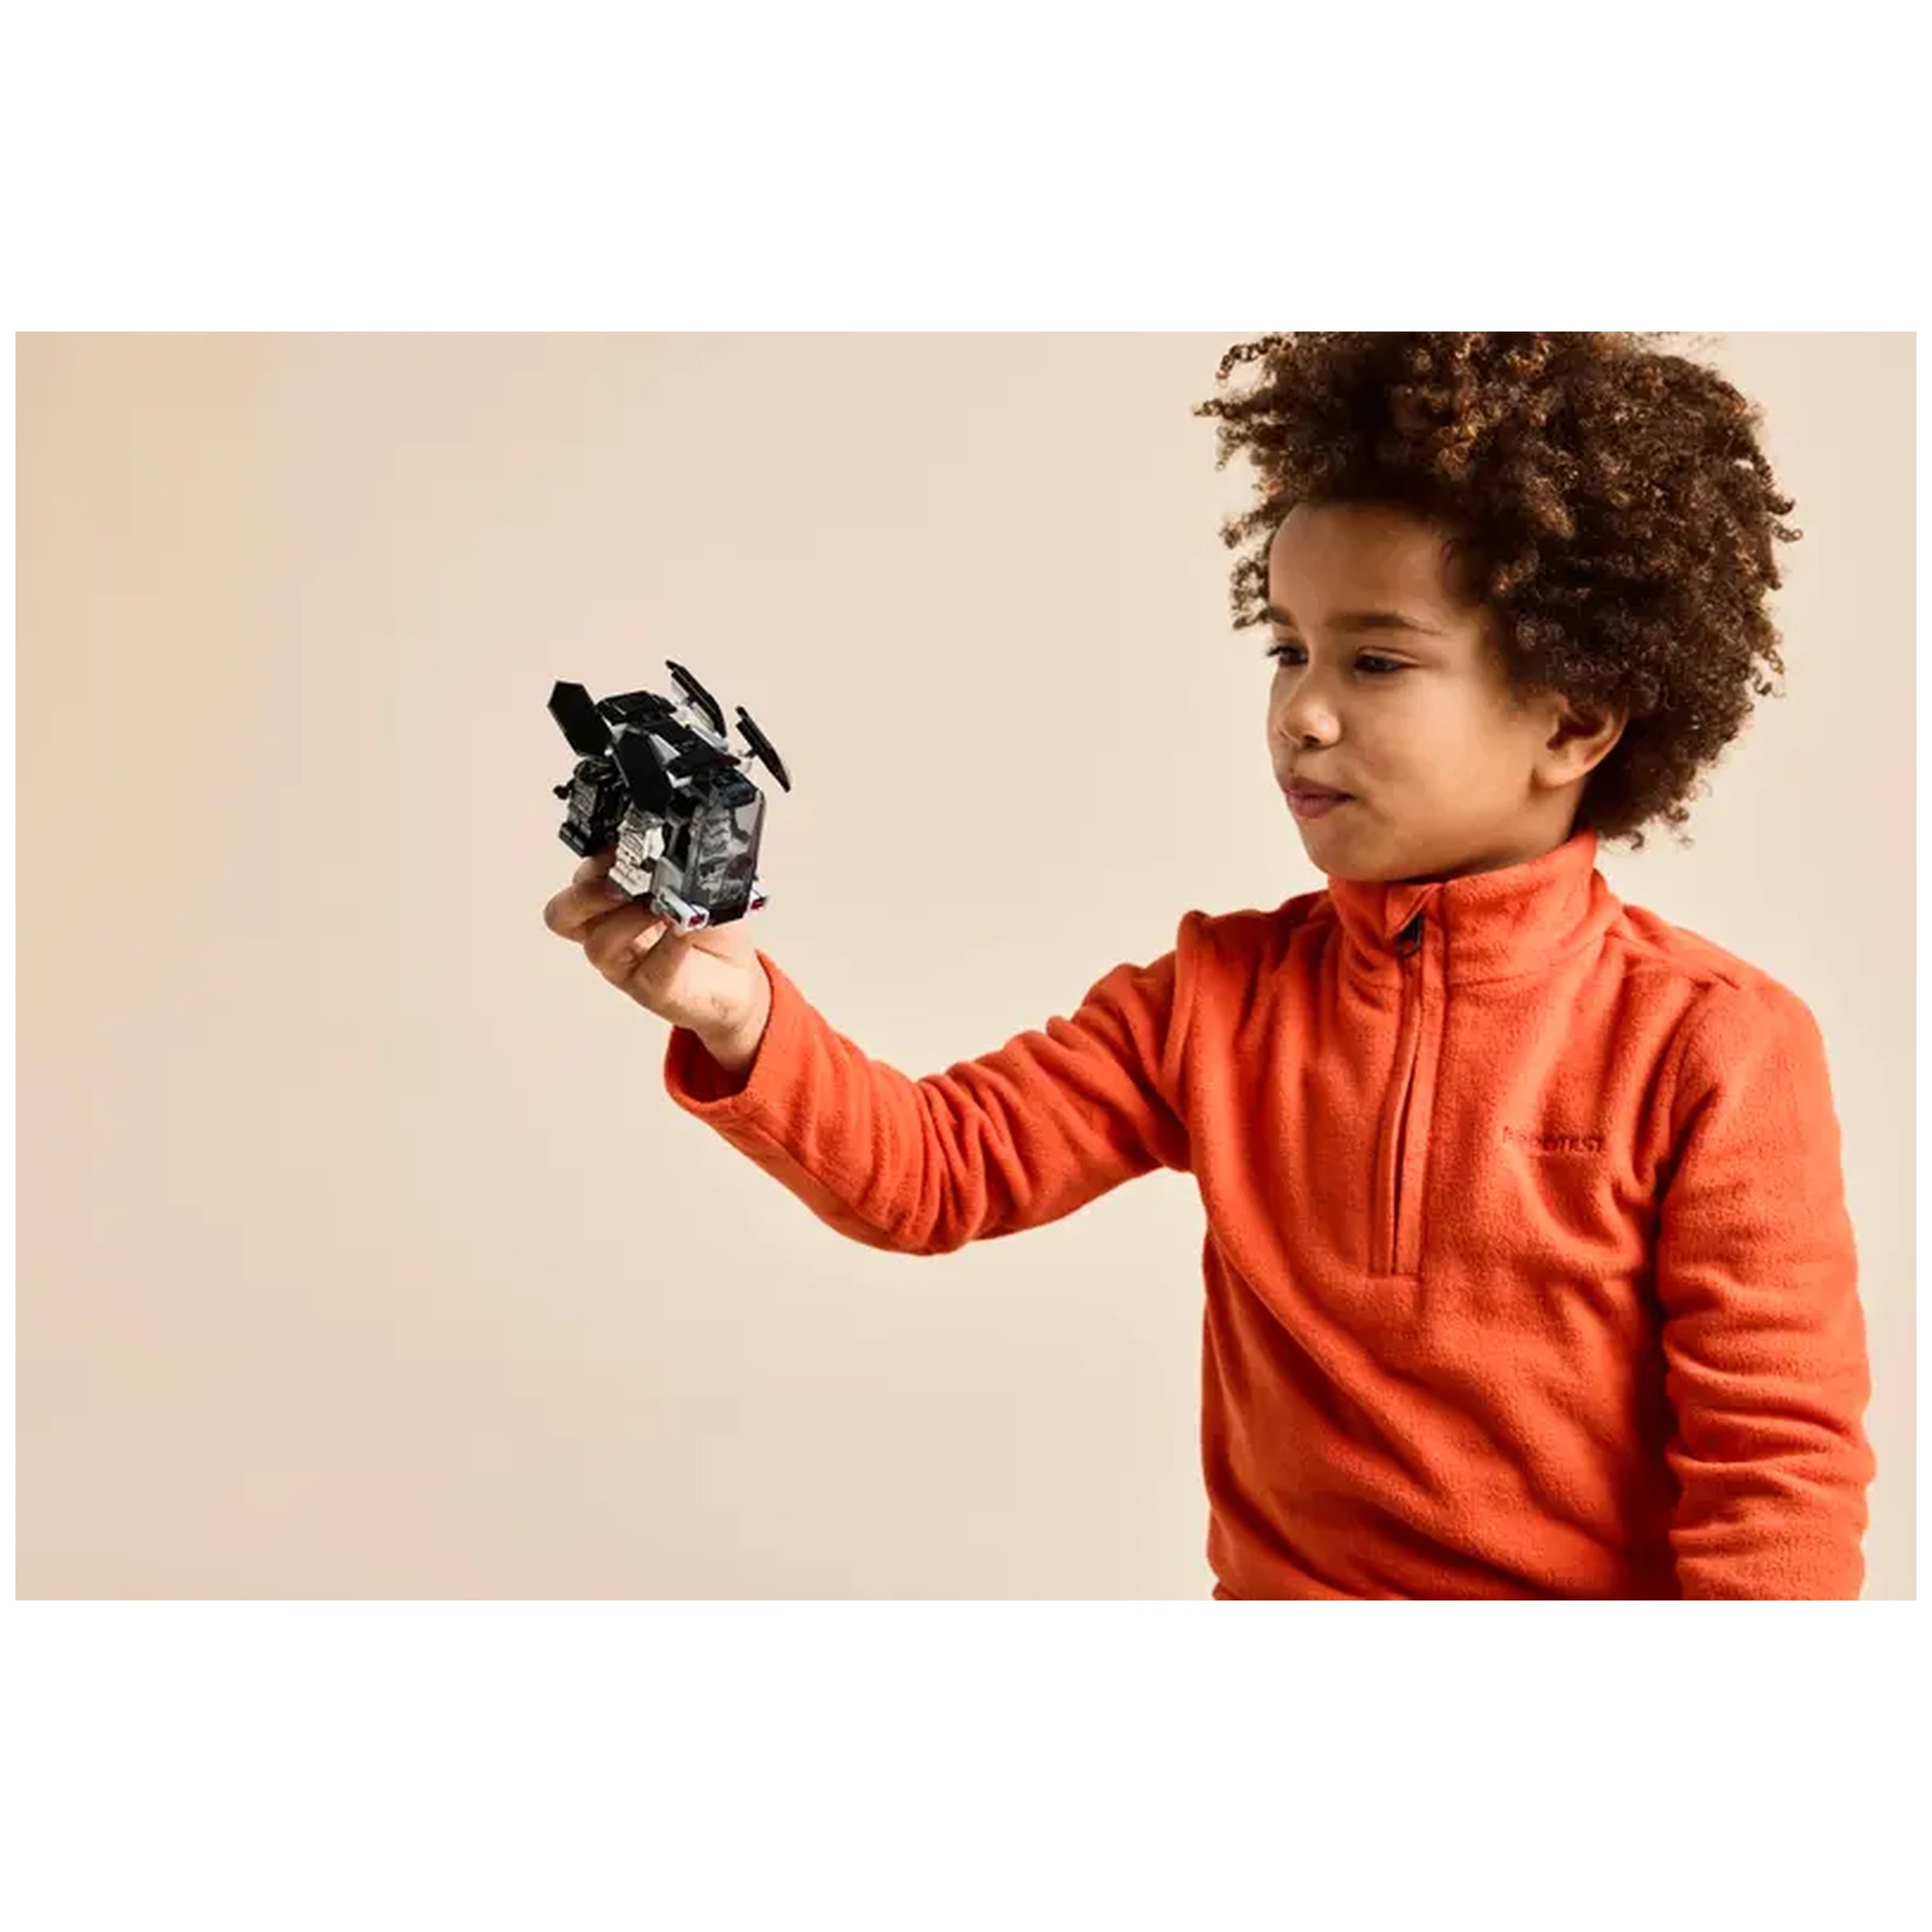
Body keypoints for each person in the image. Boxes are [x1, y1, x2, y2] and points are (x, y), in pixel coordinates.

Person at [543, 332, 1876, 1599]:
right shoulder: (1214, 1003)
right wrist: (735, 1010)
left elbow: (1776, 1479)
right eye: (1287, 647)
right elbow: (936, 1170)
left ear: (1575, 719)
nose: (1301, 709)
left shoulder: (1713, 1043)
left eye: (1377, 659)